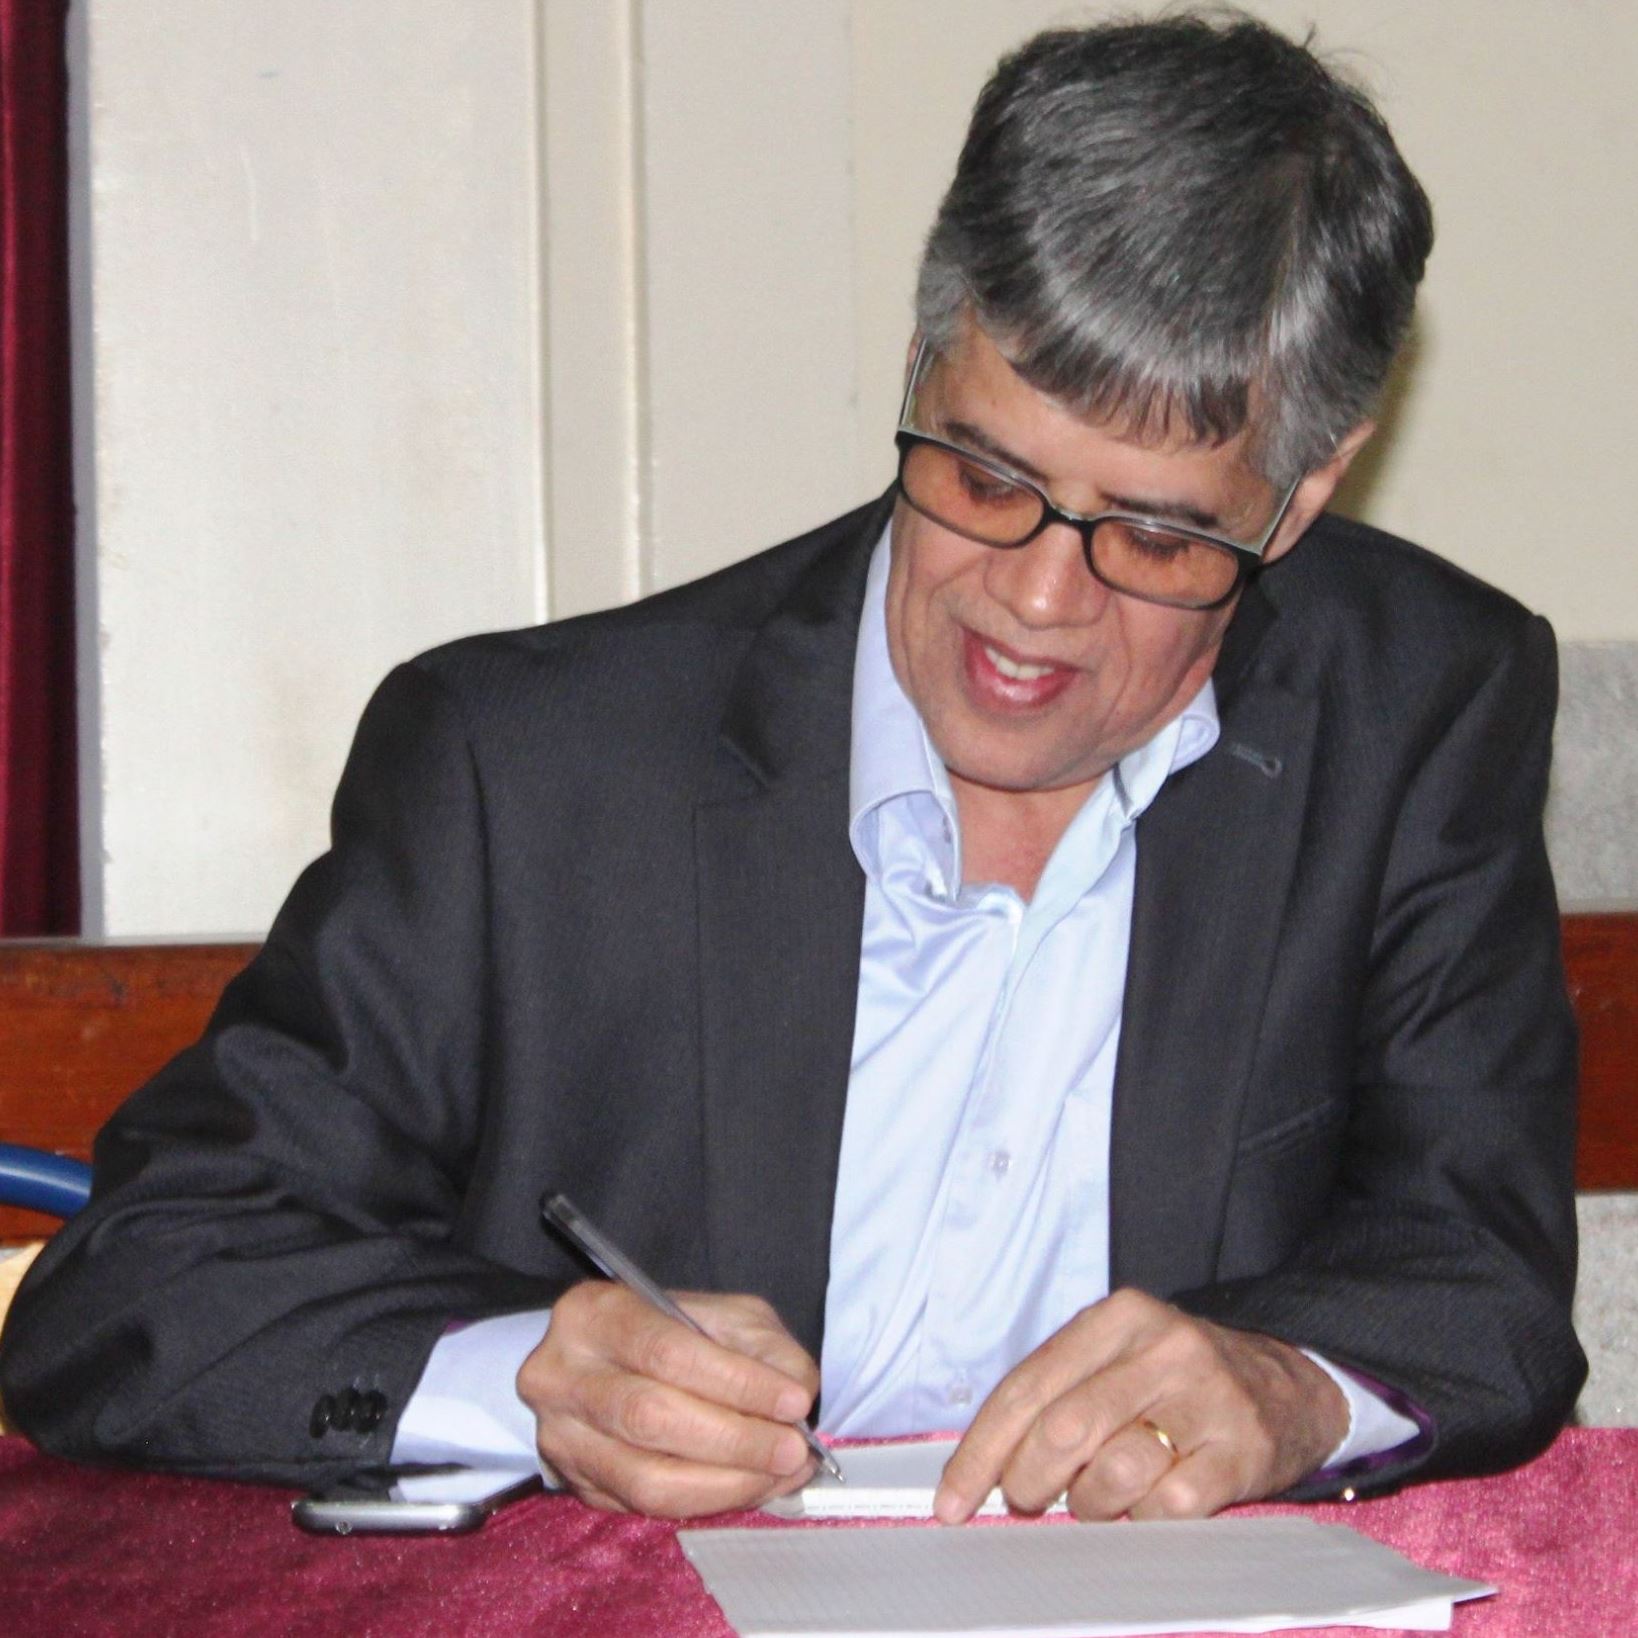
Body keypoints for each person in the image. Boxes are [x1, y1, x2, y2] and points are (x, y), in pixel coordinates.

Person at [0, 11, 1584, 1524]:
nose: (1035, 602)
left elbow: (1480, 1282)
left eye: (1156, 537)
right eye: (984, 475)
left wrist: (1289, 1387)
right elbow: (134, 1285)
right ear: (920, 356)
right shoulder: (530, 768)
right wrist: (532, 1376)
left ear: (1301, 496)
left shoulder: (1417, 708)